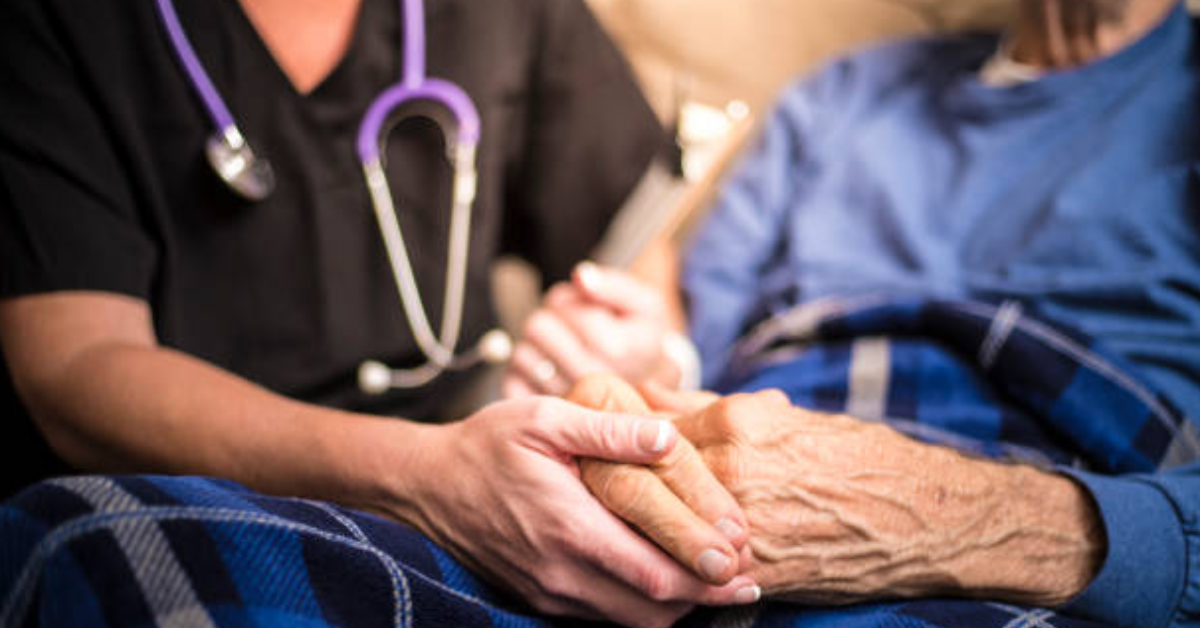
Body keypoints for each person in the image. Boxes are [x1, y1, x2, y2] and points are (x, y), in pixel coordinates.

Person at [0, 0, 763, 625]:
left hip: (485, 493)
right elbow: (74, 365)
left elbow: (632, 252)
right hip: (186, 497)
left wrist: (645, 352)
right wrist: (428, 478)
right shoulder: (60, 28)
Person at [509, 0, 1200, 627]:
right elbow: (697, 339)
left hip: (1072, 488)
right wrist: (641, 359)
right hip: (750, 475)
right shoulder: (842, 94)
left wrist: (959, 521)